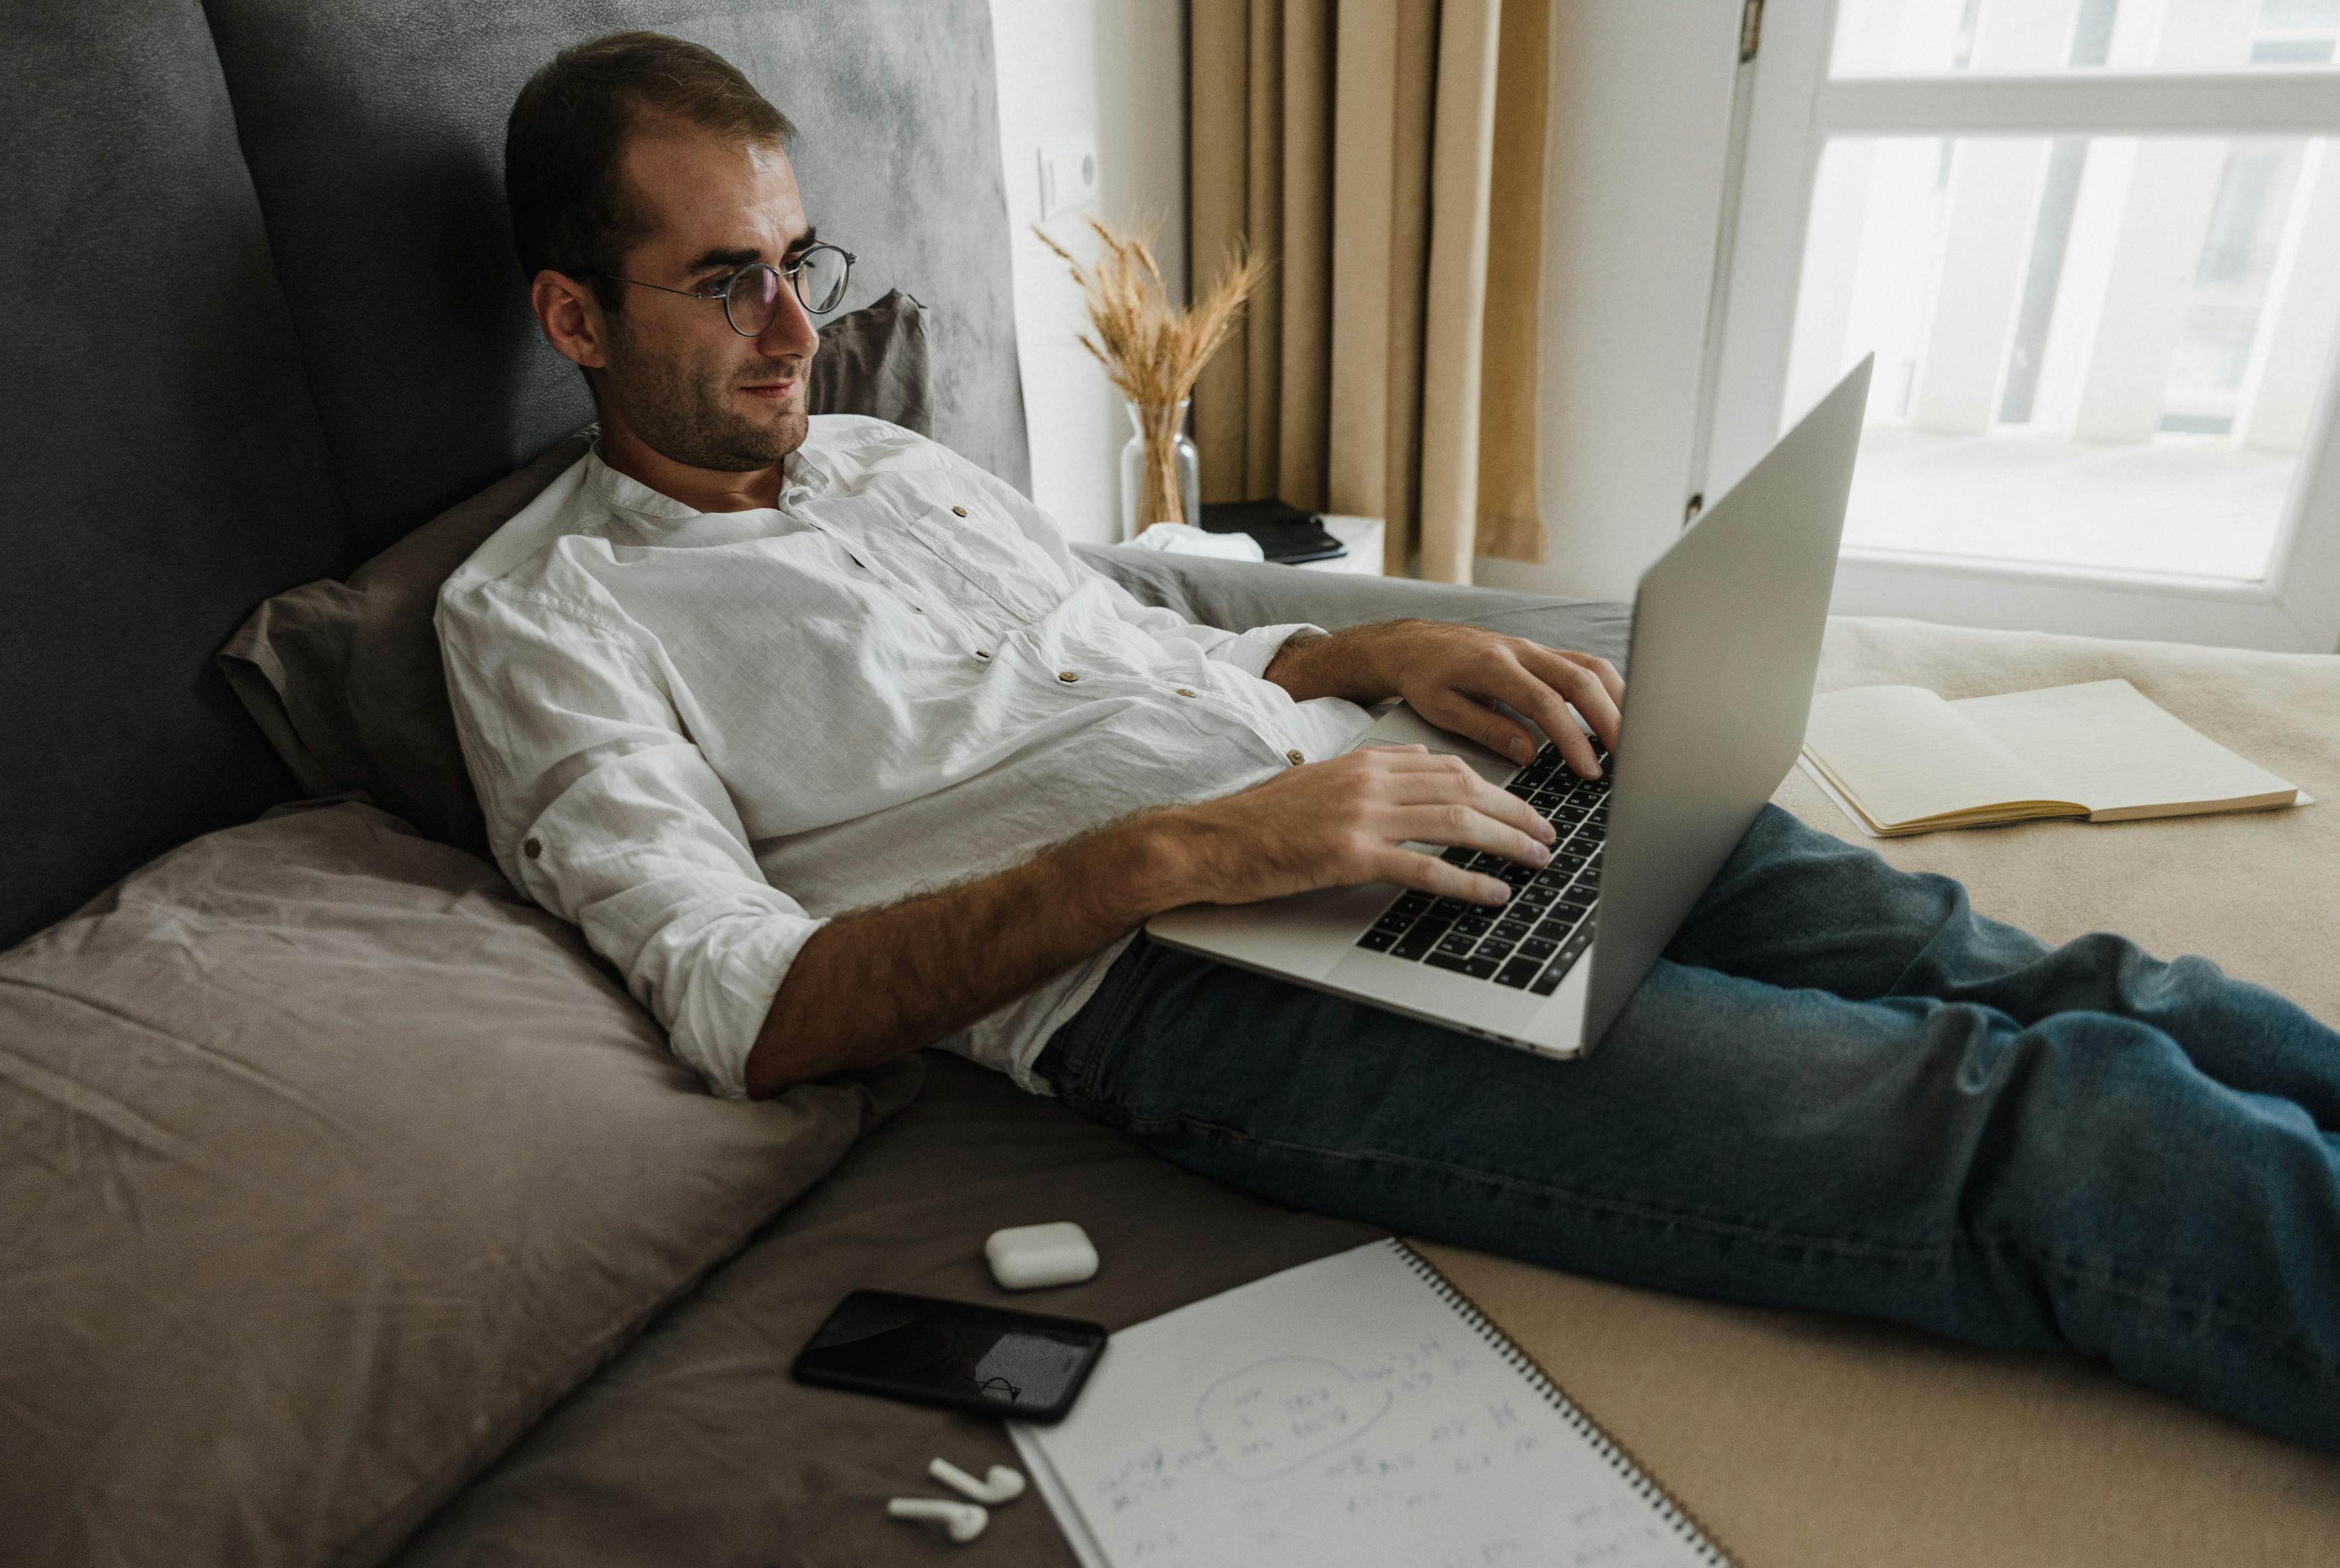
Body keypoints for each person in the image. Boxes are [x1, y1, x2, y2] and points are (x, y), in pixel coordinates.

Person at [440, 30, 2340, 1455]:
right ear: (570, 315)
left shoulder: (879, 451)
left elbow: (1121, 655)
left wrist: (1380, 645)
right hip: (1192, 987)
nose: (796, 326)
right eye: (724, 281)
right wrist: (1190, 856)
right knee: (2040, 1116)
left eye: (802, 260)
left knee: (2043, 971)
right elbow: (745, 1007)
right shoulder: (539, 617)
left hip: (1389, 798)